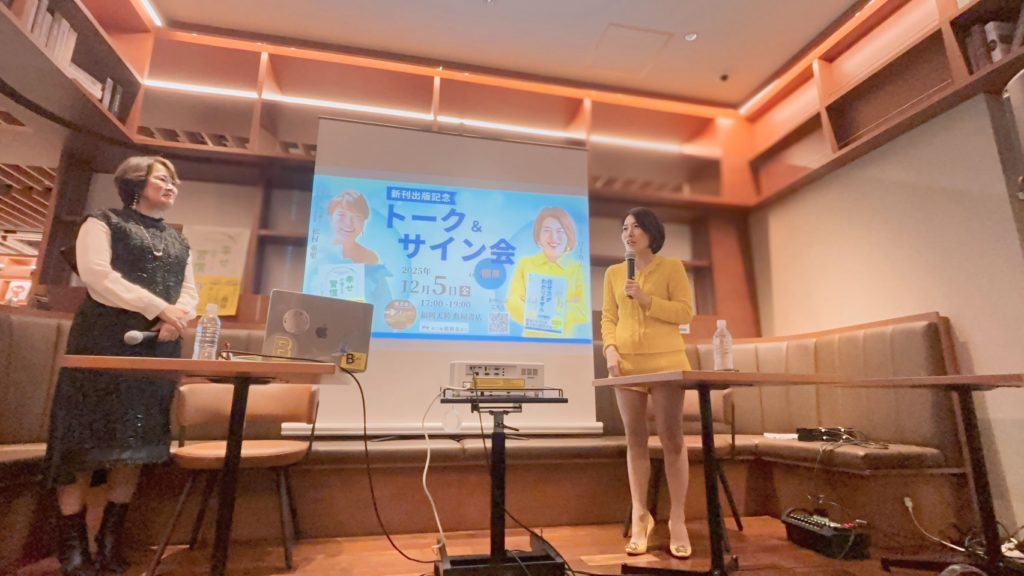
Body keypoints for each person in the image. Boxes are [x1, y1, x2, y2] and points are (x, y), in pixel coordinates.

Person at [43, 156, 198, 575]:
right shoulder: (102, 222)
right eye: (162, 178)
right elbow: (98, 277)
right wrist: (161, 309)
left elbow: (190, 291)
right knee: (81, 443)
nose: (171, 186)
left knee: (135, 446)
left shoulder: (180, 241)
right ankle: (73, 546)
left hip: (157, 349)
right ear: (135, 182)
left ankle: (110, 542)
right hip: (101, 342)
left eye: (174, 180)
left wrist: (176, 317)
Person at [601, 207, 695, 558]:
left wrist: (645, 299)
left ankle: (678, 519)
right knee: (635, 440)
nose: (629, 233)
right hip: (627, 365)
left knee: (672, 439)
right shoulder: (613, 273)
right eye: (624, 227)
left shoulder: (672, 267)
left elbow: (684, 312)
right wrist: (610, 350)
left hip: (667, 363)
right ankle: (641, 517)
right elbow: (608, 318)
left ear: (652, 233)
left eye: (637, 226)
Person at [505, 206, 588, 338]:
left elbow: (584, 311)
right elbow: (513, 303)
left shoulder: (578, 269)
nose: (553, 237)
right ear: (538, 236)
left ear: (569, 235)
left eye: (560, 231)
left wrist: (533, 307)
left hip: (567, 345)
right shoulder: (526, 263)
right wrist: (564, 305)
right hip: (530, 343)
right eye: (547, 230)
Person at [328, 190, 379, 264]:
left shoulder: (370, 258)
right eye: (341, 214)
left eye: (357, 217)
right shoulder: (320, 251)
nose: (348, 223)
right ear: (331, 217)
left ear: (364, 222)